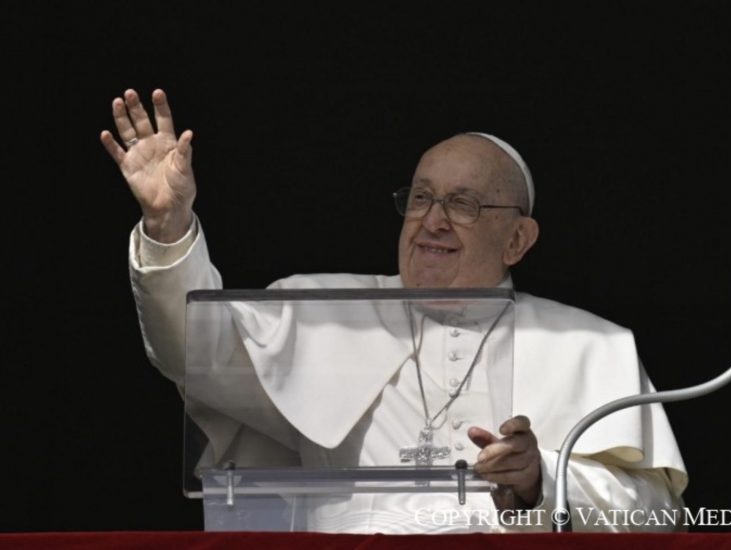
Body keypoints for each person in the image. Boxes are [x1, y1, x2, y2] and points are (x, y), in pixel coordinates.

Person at [102, 88, 688, 533]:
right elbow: (191, 349)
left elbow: (658, 515)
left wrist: (545, 478)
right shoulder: (317, 309)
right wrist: (167, 225)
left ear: (517, 240)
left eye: (463, 204)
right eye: (421, 198)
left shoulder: (590, 344)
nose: (433, 220)